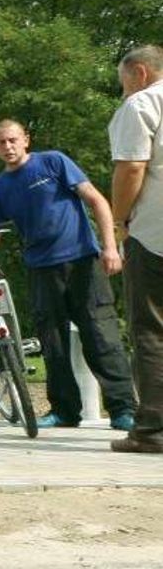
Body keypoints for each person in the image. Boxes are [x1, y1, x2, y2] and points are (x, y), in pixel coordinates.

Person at [0, 120, 136, 431]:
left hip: (83, 263)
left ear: (25, 141)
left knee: (102, 338)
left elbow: (98, 201)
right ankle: (64, 412)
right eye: (1, 142)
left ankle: (123, 410)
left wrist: (110, 246)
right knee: (53, 343)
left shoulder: (54, 162)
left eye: (12, 140)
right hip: (41, 270)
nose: (8, 147)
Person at [108, 45, 163, 453]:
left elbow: (131, 166)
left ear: (139, 72)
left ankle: (153, 429)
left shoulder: (141, 104)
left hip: (154, 234)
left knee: (151, 329)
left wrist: (118, 220)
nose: (122, 88)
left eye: (122, 79)